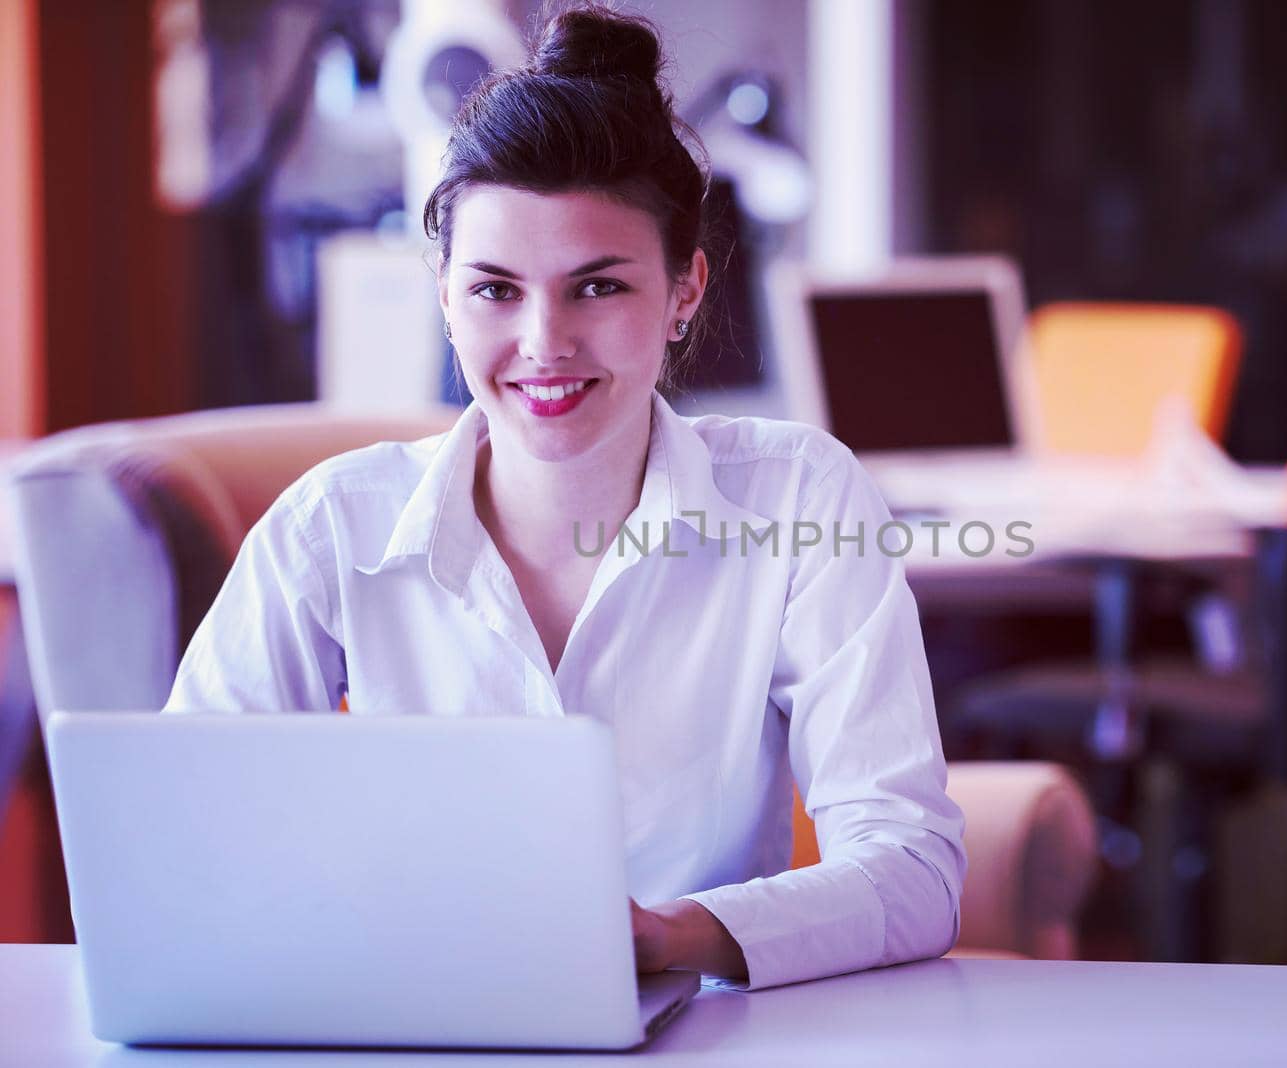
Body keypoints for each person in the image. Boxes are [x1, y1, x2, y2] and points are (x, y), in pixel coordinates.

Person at [165, 5, 965, 990]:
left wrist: (678, 936)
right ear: (446, 294)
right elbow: (190, 843)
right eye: (496, 290)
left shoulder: (800, 498)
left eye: (596, 288)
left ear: (683, 291)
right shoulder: (335, 524)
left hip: (704, 1043)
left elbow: (912, 869)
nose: (544, 341)